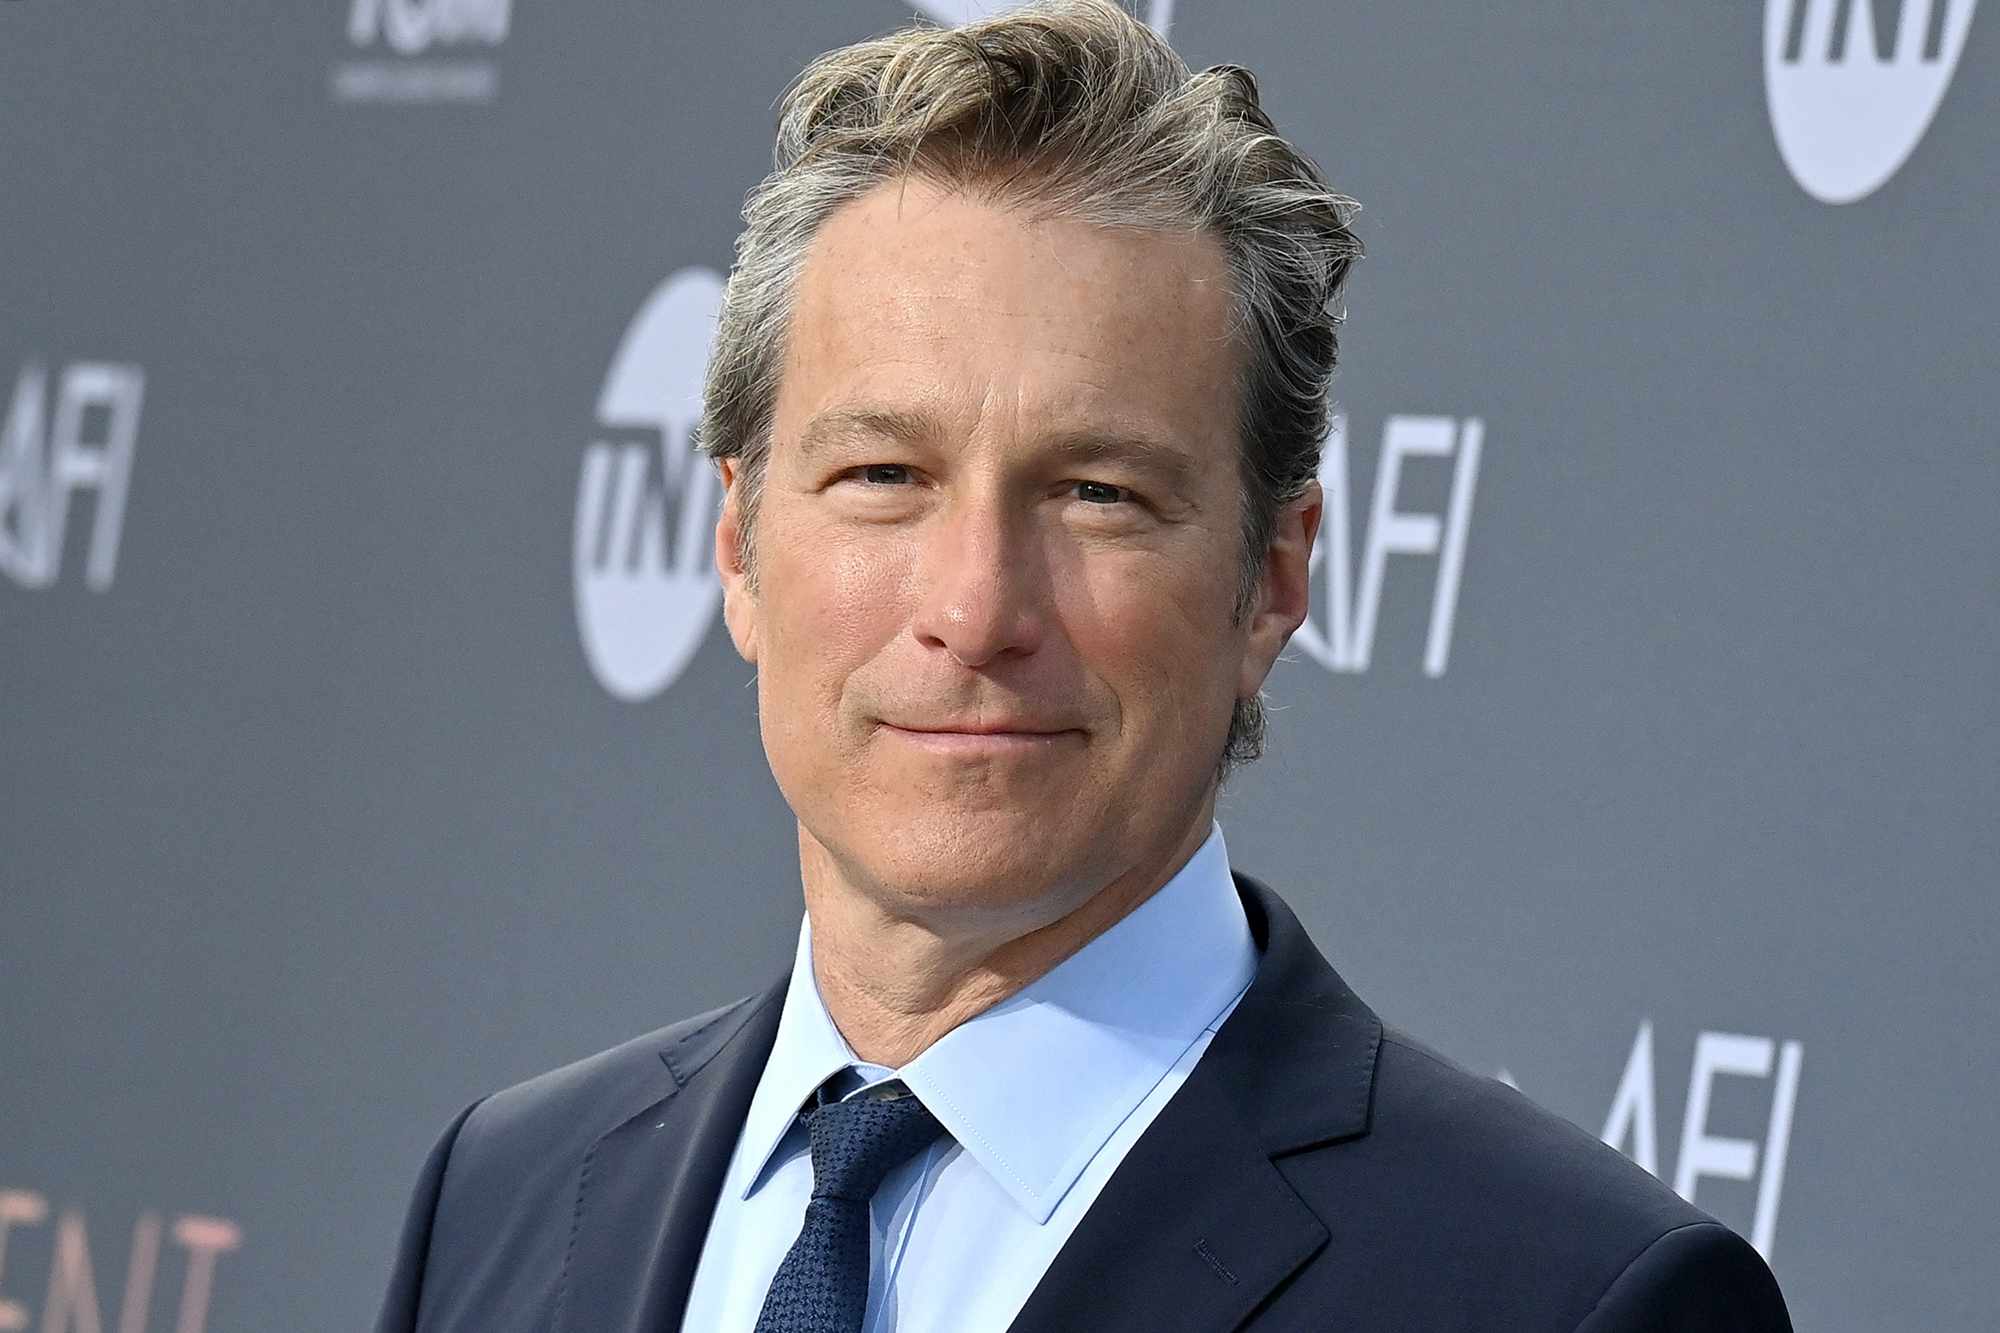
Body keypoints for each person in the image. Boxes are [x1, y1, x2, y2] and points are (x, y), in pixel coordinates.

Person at [374, 3, 1793, 1328]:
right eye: (884, 474)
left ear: (1272, 578)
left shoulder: (1564, 1298)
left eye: (1097, 494)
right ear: (741, 548)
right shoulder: (506, 1198)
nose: (974, 606)